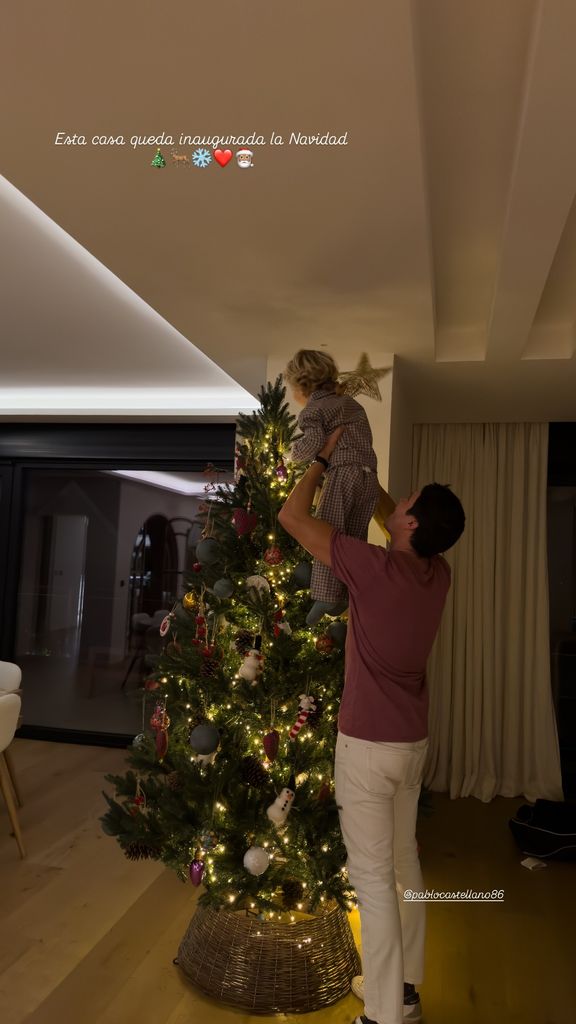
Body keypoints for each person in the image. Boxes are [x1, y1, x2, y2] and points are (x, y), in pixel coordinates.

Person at [278, 428, 465, 1024]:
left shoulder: (371, 567)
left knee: (374, 881)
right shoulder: (437, 576)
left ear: (411, 528)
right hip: (410, 746)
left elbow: (291, 515)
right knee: (404, 866)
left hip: (366, 749)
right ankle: (405, 988)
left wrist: (328, 459)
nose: (396, 506)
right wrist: (368, 478)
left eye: (406, 504)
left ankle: (384, 1014)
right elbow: (398, 521)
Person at [283, 349, 381, 625]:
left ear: (302, 386)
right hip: (369, 477)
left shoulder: (313, 410)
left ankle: (327, 595)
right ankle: (349, 592)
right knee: (354, 537)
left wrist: (290, 454)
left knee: (328, 531)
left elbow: (312, 444)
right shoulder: (350, 404)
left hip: (344, 473)